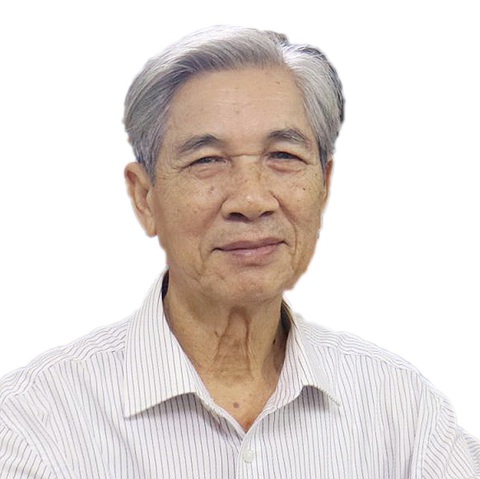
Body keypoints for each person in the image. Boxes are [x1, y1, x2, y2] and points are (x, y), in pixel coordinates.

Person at [0, 25, 478, 479]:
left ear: (324, 185)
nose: (251, 200)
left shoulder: (402, 409)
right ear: (145, 197)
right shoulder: (33, 426)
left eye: (283, 157)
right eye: (207, 160)